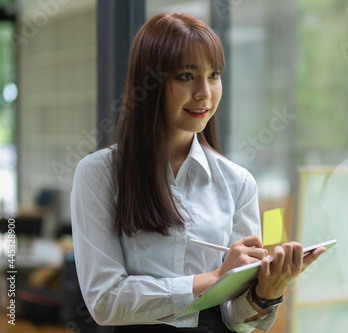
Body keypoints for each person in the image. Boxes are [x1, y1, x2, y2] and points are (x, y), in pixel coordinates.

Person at [70, 13, 325, 332]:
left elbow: (235, 318)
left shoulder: (238, 183)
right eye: (186, 76)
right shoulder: (98, 175)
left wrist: (267, 292)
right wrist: (215, 279)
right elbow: (105, 302)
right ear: (149, 82)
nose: (205, 92)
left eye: (214, 75)